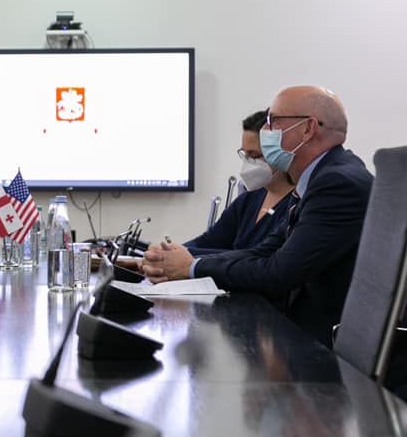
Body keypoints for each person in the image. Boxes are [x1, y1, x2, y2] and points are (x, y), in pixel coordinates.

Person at [141, 86, 373, 344]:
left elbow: (279, 272)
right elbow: (263, 251)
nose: (265, 130)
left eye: (273, 121)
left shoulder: (337, 183)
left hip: (327, 344)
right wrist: (180, 262)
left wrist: (191, 267)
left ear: (308, 129)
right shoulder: (318, 178)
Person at [182, 110, 295, 256]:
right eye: (244, 155)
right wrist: (168, 254)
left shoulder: (296, 206)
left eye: (254, 155)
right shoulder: (248, 200)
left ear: (278, 153)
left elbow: (254, 258)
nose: (248, 163)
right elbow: (208, 241)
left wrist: (189, 260)